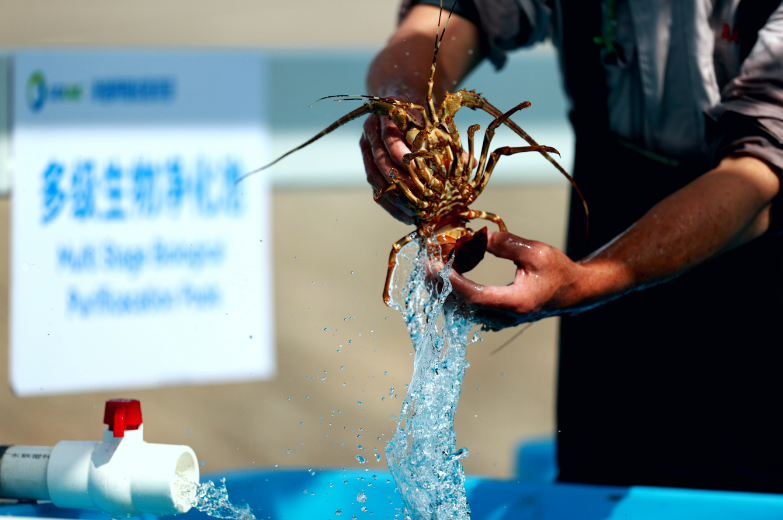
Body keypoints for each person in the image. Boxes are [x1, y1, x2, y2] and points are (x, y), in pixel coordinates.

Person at [360, 0, 783, 492]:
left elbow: (758, 175)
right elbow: (454, 15)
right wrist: (400, 105)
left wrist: (588, 280)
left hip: (758, 269)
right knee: (598, 475)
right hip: (606, 211)